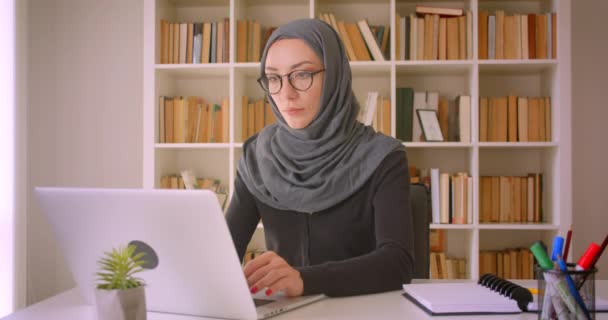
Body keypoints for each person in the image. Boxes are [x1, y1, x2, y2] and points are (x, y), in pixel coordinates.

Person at [226, 18, 414, 298]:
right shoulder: (257, 157)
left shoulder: (383, 157)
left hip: (365, 311)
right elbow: (224, 252)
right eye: (273, 78)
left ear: (335, 75)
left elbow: (397, 263)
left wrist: (304, 280)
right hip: (286, 313)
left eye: (302, 75)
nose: (286, 94)